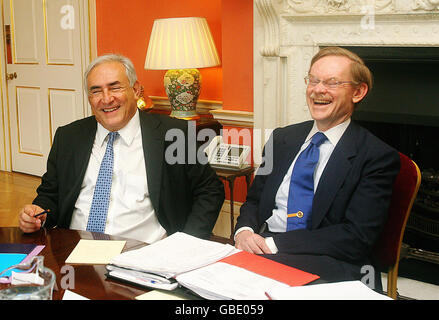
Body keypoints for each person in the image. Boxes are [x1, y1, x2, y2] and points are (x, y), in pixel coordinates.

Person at [234, 47, 400, 285]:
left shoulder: (376, 157)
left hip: (329, 262)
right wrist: (244, 232)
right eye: (313, 80)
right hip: (262, 249)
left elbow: (356, 237)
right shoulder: (282, 139)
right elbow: (254, 201)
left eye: (332, 82)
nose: (317, 89)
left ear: (358, 92)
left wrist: (273, 245)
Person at [18, 54, 225, 243]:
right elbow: (49, 195)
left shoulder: (173, 134)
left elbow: (210, 190)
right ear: (89, 98)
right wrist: (38, 214)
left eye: (115, 87)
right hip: (76, 249)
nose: (106, 99)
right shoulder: (69, 137)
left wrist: (187, 243)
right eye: (96, 91)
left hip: (143, 254)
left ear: (135, 90)